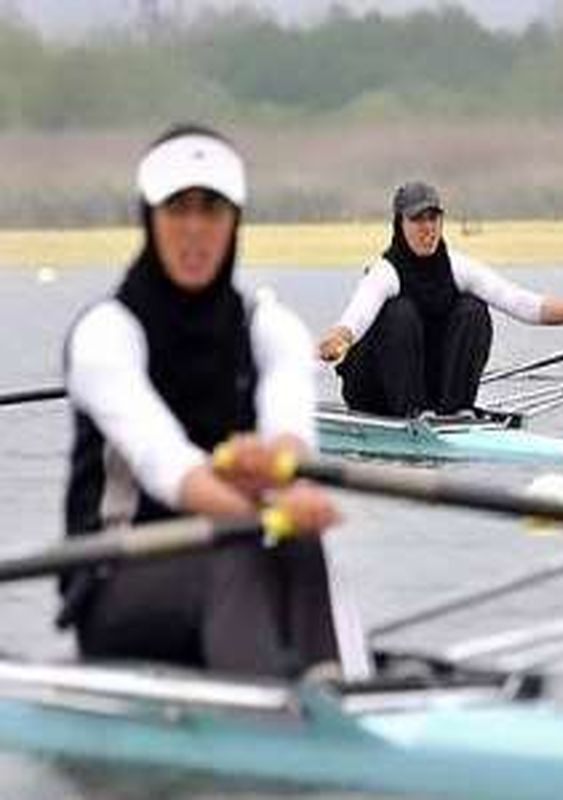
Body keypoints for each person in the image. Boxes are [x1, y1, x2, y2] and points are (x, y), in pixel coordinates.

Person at [61, 123, 359, 679]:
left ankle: (333, 688)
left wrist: (286, 472)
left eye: (212, 209)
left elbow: (292, 430)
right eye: (177, 208)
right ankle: (284, 724)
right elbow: (164, 465)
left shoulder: (271, 327)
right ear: (148, 219)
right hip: (114, 582)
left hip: (225, 568)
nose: (195, 230)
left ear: (235, 221)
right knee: (247, 541)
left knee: (301, 538)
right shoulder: (106, 333)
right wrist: (268, 506)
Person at [317, 182, 563, 417]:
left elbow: (521, 303)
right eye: (417, 219)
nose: (427, 228)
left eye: (433, 218)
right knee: (400, 313)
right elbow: (356, 317)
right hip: (374, 392)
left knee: (473, 309)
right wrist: (339, 339)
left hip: (427, 391)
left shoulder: (458, 267)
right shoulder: (385, 273)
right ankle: (413, 412)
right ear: (399, 224)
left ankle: (456, 411)